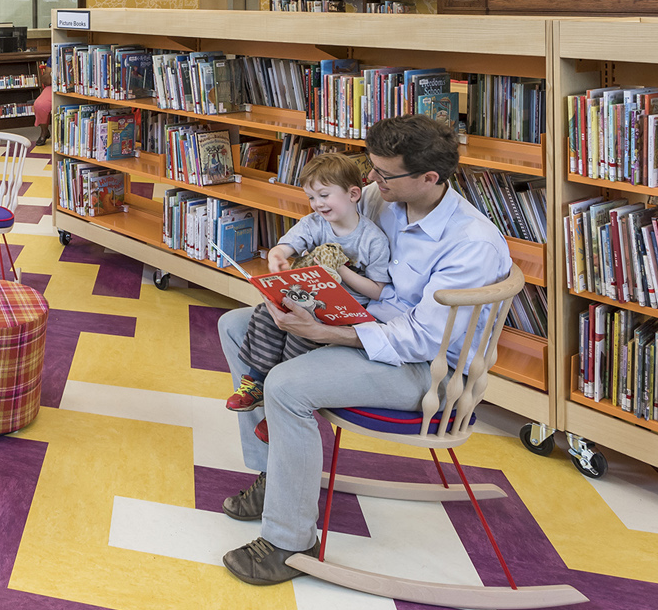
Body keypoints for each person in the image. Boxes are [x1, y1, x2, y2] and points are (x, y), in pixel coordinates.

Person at [216, 115, 511, 586]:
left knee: (286, 385)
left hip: (426, 368)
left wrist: (330, 334)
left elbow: (422, 340)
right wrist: (288, 253)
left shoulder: (471, 244)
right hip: (369, 323)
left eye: (384, 173)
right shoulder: (383, 197)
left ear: (429, 178)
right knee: (235, 325)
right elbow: (324, 219)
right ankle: (276, 476)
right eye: (370, 168)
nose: (370, 180)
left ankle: (290, 538)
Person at [224, 153, 390, 413]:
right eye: (311, 197)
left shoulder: (373, 240)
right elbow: (288, 245)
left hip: (342, 313)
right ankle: (256, 380)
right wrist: (278, 256)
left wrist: (340, 269)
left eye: (324, 195)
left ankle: (284, 399)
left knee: (304, 331)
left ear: (353, 194)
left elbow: (378, 291)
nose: (317, 204)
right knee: (266, 314)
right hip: (307, 299)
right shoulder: (314, 224)